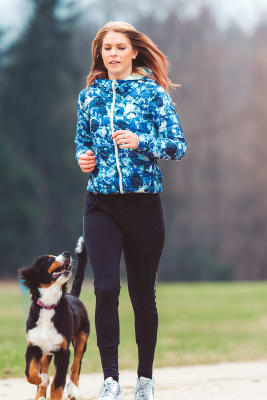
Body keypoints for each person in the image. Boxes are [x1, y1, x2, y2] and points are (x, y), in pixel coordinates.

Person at [74, 21, 187, 400]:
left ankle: (145, 379)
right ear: (100, 53)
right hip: (101, 204)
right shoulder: (89, 96)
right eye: (107, 48)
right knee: (104, 288)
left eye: (121, 47)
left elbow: (177, 146)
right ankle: (109, 380)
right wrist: (83, 158)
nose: (114, 54)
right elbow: (81, 142)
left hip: (144, 204)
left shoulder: (152, 94)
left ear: (134, 51)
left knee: (142, 294)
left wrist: (142, 141)